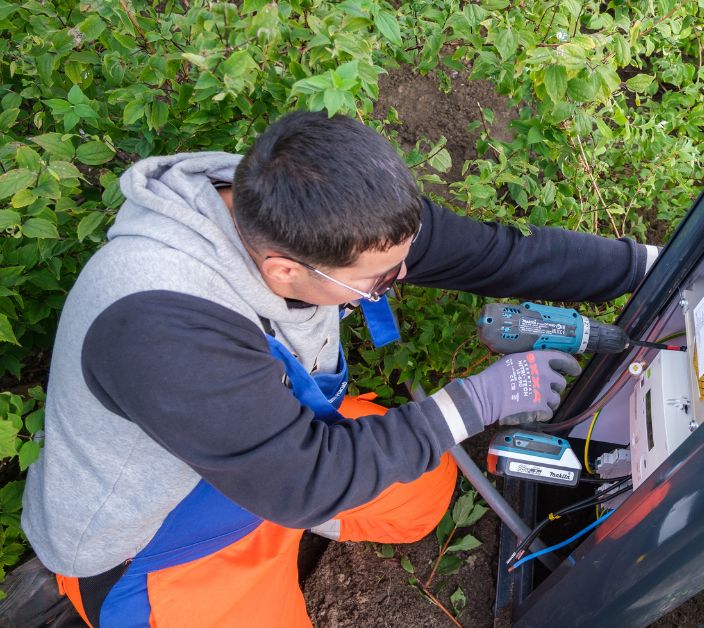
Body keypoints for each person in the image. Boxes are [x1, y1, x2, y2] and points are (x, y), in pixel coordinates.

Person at [20, 111, 658, 626]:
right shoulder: (161, 328)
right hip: (155, 539)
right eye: (379, 281)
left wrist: (653, 268)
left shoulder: (325, 214)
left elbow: (495, 255)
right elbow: (306, 483)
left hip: (265, 449)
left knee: (421, 495)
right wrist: (471, 403)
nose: (401, 278)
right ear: (284, 273)